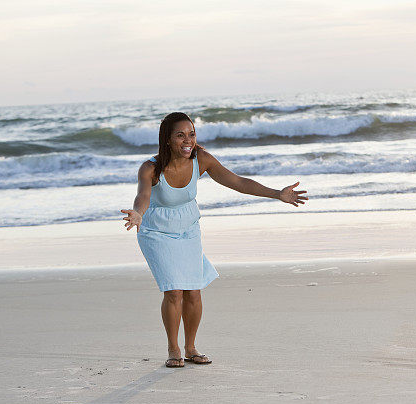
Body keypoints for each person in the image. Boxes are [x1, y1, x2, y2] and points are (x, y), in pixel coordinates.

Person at [121, 112, 307, 368]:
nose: (188, 140)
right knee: (174, 291)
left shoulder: (201, 159)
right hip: (156, 231)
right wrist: (138, 214)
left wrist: (277, 194)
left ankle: (191, 347)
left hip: (188, 229)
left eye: (192, 134)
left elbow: (237, 181)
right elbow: (143, 195)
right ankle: (173, 348)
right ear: (167, 140)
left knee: (193, 291)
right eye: (180, 135)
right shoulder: (151, 168)